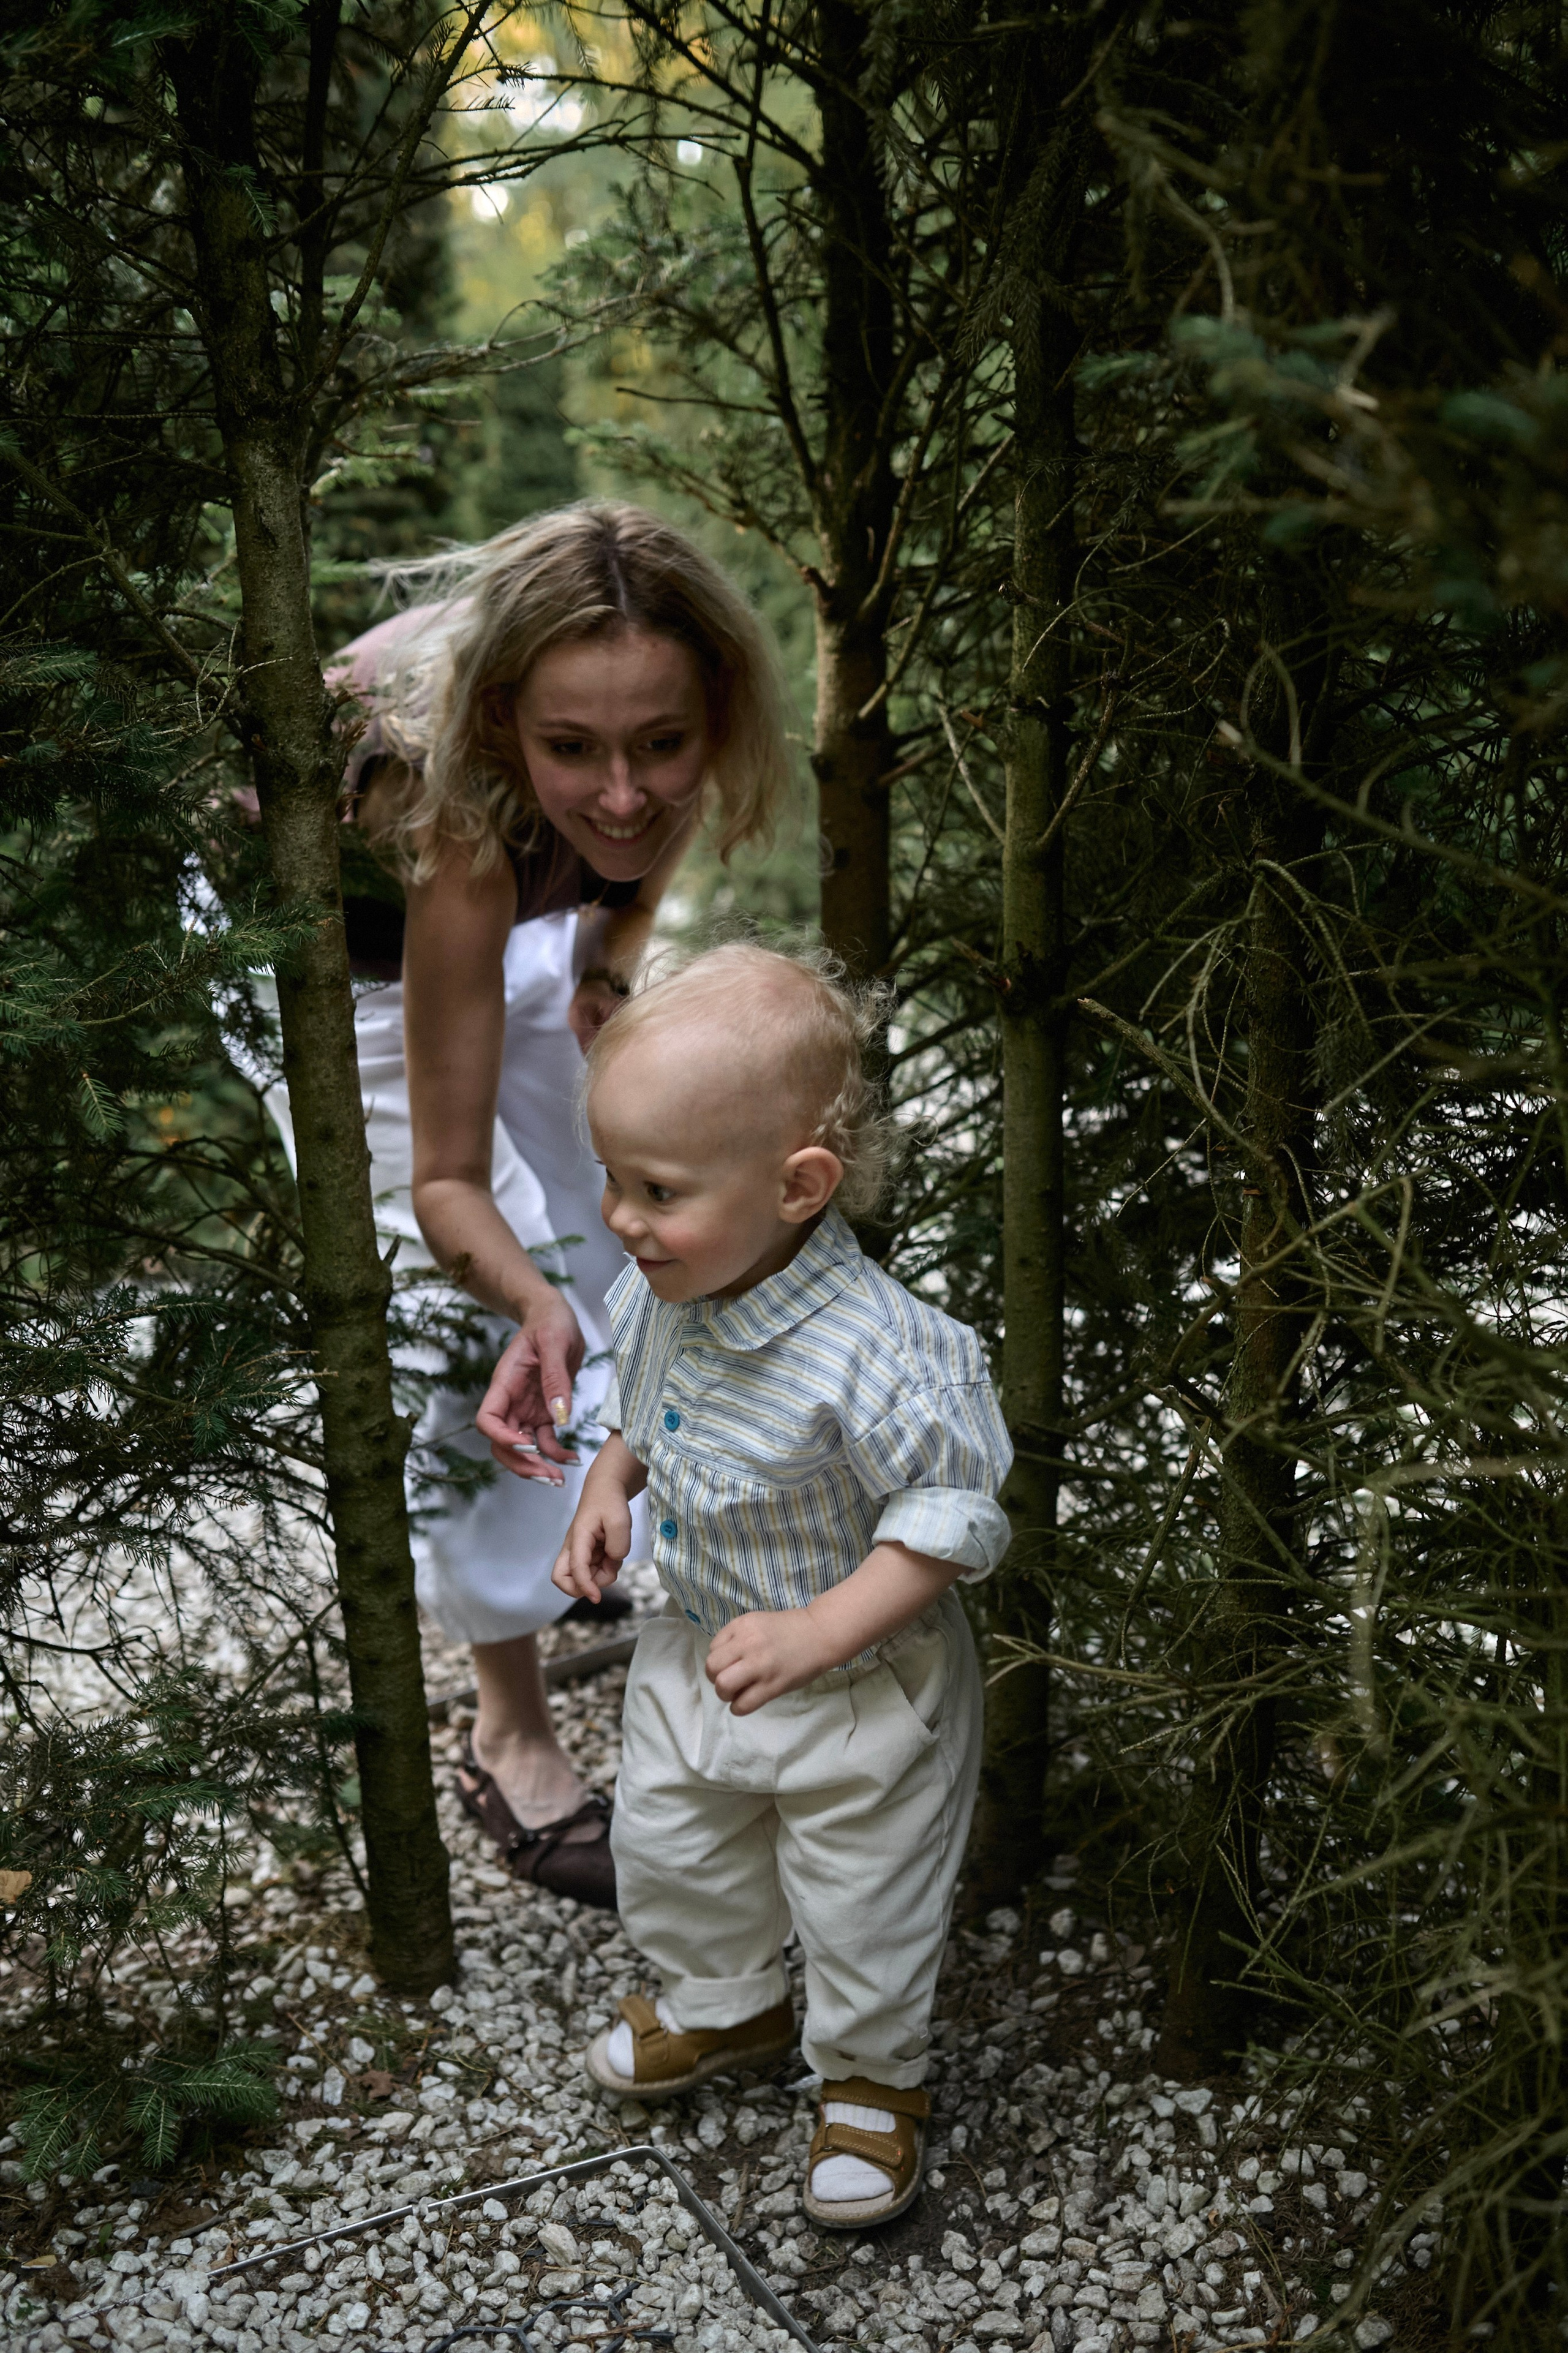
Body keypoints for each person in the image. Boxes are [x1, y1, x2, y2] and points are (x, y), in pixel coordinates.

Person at [265, 504, 793, 1910]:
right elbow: (442, 1177)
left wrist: (611, 952)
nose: (624, 794)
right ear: (507, 717)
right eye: (576, 750)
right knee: (466, 1313)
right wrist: (525, 1295)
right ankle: (506, 1725)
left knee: (612, 1188)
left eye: (660, 746)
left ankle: (595, 1522)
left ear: (708, 706)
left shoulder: (650, 733)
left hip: (508, 905)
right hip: (346, 954)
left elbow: (634, 836)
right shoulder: (439, 808)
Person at [551, 943, 1012, 2226]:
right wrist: (609, 1483)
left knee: (864, 1891)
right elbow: (647, 1410)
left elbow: (947, 1519)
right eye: (609, 1177)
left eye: (655, 1187)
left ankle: (870, 2079)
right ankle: (728, 2003)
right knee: (673, 1845)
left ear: (798, 1185)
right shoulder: (668, 1289)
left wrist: (821, 1628)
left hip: (859, 1684)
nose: (618, 1216)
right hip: (697, 1655)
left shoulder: (886, 1352)